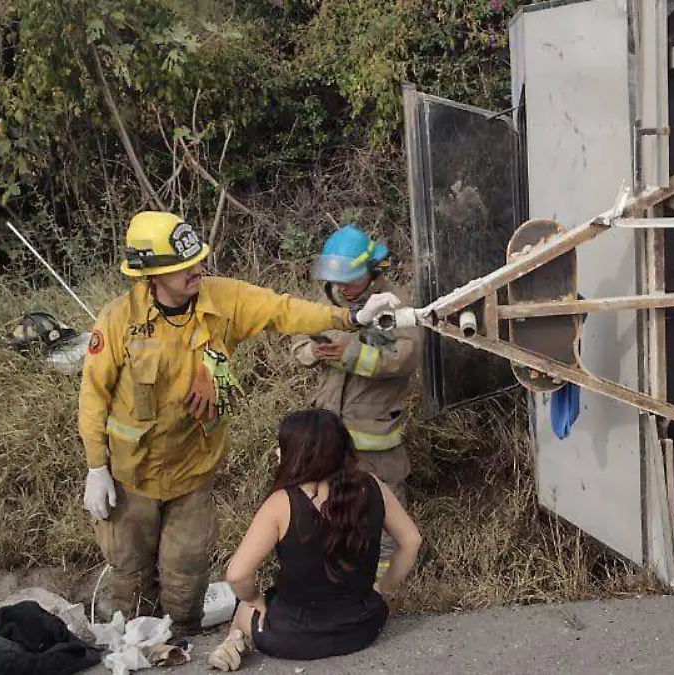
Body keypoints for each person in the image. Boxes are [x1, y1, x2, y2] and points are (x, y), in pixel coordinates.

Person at [79, 212, 402, 637]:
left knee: (185, 583)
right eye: (184, 267)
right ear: (153, 275)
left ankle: (179, 649)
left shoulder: (223, 299)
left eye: (197, 261)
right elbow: (93, 397)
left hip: (192, 472)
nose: (197, 270)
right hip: (129, 475)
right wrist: (96, 468)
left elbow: (282, 310)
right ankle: (130, 648)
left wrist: (349, 320)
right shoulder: (119, 320)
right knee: (129, 578)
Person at [207, 409, 422, 671]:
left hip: (292, 636)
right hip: (364, 627)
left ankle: (232, 645)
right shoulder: (372, 486)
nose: (278, 452)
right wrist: (383, 587)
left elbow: (237, 574)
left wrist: (255, 600)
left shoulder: (282, 504)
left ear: (297, 453)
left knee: (245, 609)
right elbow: (411, 541)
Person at [289, 224, 422, 575]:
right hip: (328, 428)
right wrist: (313, 351)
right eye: (336, 279)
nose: (343, 287)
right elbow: (297, 341)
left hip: (374, 431)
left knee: (383, 507)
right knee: (328, 504)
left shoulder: (394, 304)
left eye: (350, 278)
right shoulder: (329, 300)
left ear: (372, 270)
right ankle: (338, 575)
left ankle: (388, 585)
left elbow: (404, 358)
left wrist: (351, 352)